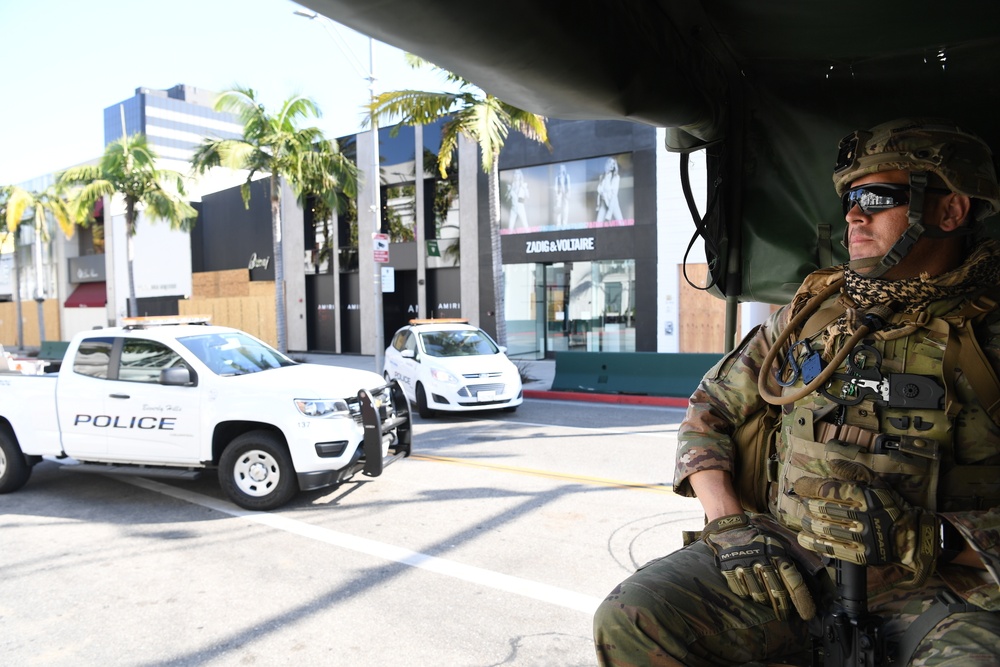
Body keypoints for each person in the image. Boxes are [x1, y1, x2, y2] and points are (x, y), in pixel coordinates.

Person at [593, 118, 1000, 666]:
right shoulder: (810, 316)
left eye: (878, 197)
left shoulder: (989, 334)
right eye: (851, 199)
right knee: (633, 617)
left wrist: (935, 541)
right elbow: (709, 409)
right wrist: (729, 523)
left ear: (950, 211)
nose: (855, 214)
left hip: (940, 586)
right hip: (789, 558)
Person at [596, 157, 623, 222]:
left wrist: (609, 213)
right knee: (597, 224)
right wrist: (598, 205)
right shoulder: (602, 177)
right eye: (610, 163)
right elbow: (599, 193)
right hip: (603, 203)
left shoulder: (616, 177)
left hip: (613, 203)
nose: (612, 165)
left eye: (613, 164)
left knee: (621, 223)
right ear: (607, 164)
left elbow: (614, 195)